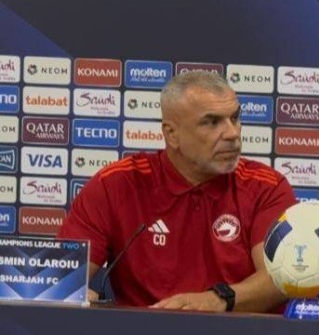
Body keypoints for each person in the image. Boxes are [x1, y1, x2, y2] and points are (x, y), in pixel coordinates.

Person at [58, 70, 296, 313]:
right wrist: (72, 292)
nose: (232, 133)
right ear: (172, 134)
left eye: (234, 118)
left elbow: (280, 278)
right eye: (212, 122)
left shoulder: (266, 187)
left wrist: (219, 300)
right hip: (138, 333)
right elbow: (59, 277)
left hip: (239, 333)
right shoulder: (116, 184)